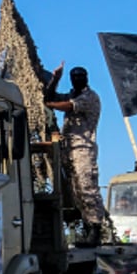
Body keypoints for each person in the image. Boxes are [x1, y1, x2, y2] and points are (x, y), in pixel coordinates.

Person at [44, 63, 111, 245]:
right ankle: (89, 228)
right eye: (74, 77)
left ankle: (95, 228)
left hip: (83, 148)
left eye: (81, 76)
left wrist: (49, 105)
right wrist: (55, 79)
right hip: (69, 148)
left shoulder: (90, 97)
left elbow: (67, 106)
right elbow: (49, 96)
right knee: (76, 192)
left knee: (86, 187)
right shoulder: (73, 94)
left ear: (87, 78)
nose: (78, 80)